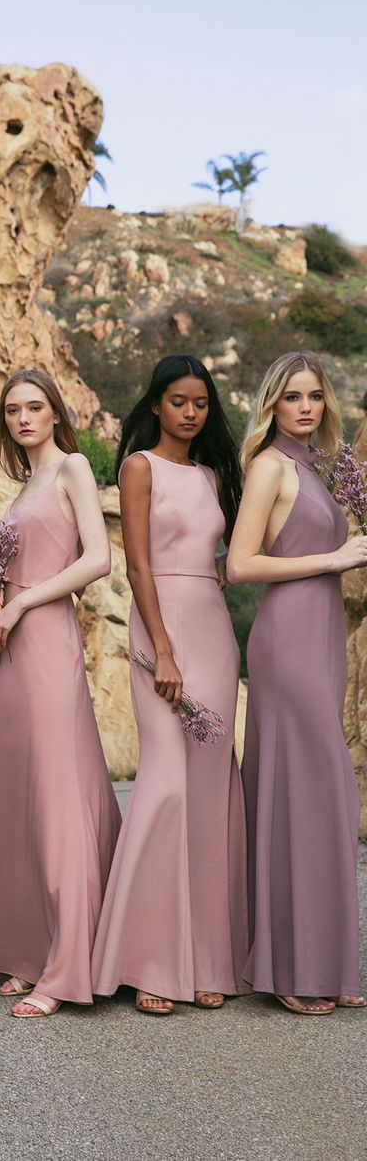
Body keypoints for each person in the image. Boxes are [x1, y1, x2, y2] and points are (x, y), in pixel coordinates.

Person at [0, 368, 121, 1019]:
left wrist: (25, 599)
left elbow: (97, 559)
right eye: (12, 411)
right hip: (10, 645)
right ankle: (31, 948)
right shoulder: (27, 483)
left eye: (35, 407)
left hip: (46, 642)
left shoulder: (71, 469)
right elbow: (25, 561)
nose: (23, 418)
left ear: (56, 412)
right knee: (17, 796)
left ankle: (67, 968)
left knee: (58, 791)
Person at [91, 355, 248, 1015]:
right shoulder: (138, 467)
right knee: (166, 784)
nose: (190, 412)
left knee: (212, 791)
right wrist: (163, 650)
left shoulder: (214, 476)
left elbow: (225, 560)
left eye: (200, 403)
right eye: (178, 401)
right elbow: (136, 564)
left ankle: (208, 958)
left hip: (212, 628)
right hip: (161, 630)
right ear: (156, 404)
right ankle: (151, 958)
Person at [227, 351, 367, 1014]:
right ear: (272, 405)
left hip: (323, 639)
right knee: (305, 790)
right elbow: (240, 564)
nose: (306, 407)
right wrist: (335, 556)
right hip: (286, 642)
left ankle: (327, 964)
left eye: (315, 396)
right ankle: (288, 969)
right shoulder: (269, 467)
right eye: (292, 397)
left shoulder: (320, 469)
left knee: (322, 794)